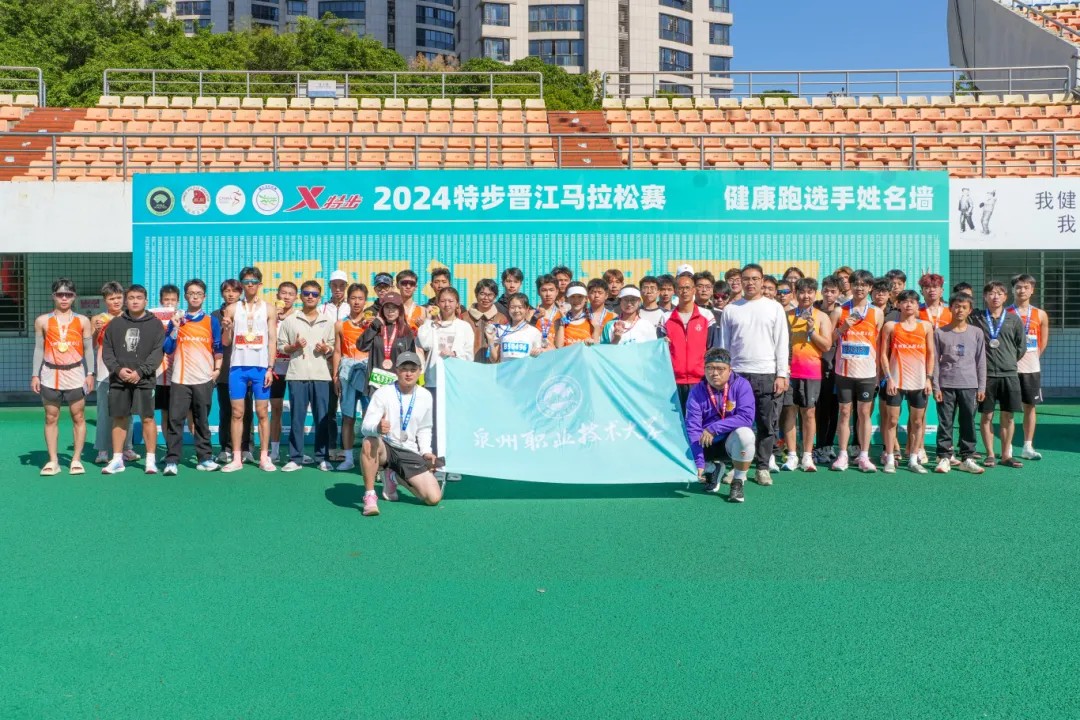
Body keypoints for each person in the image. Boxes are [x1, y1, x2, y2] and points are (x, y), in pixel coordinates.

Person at [716, 263, 790, 486]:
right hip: (737, 375)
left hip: (766, 374)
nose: (750, 283)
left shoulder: (774, 308)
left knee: (766, 424)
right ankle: (737, 466)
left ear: (762, 281)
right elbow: (724, 345)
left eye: (755, 279)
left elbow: (782, 343)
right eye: (746, 279)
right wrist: (724, 373)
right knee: (737, 424)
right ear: (740, 282)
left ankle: (763, 467)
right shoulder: (731, 309)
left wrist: (781, 374)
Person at [359, 352, 441, 516]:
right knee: (369, 442)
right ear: (396, 370)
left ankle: (393, 477)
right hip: (385, 447)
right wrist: (377, 428)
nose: (408, 373)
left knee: (433, 498)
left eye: (413, 369)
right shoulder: (383, 393)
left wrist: (426, 451)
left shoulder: (425, 396)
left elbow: (425, 428)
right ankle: (370, 496)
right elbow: (365, 427)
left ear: (419, 372)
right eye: (404, 369)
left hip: (409, 450)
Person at [100, 284, 166, 475]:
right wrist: (118, 370)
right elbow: (107, 351)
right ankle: (117, 459)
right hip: (119, 380)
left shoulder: (155, 324)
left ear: (146, 301)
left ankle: (150, 460)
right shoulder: (115, 324)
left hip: (143, 380)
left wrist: (141, 372)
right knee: (119, 417)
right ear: (125, 301)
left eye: (139, 298)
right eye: (131, 298)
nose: (135, 301)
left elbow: (157, 352)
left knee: (147, 418)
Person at [32, 278, 95, 476]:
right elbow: (39, 349)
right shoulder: (42, 321)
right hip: (50, 374)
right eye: (60, 294)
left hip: (75, 373)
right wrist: (35, 375)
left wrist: (90, 373)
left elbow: (88, 349)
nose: (64, 298)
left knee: (78, 416)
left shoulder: (83, 321)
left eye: (68, 294)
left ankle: (76, 459)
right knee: (51, 417)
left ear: (74, 297)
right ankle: (53, 461)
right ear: (54, 296)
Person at [161, 279, 223, 475]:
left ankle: (204, 458)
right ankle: (172, 460)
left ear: (204, 297)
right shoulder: (177, 319)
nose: (195, 297)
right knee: (175, 420)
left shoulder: (211, 321)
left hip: (204, 378)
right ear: (185, 297)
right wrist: (175, 328)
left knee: (201, 421)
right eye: (191, 293)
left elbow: (218, 348)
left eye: (198, 293)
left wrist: (217, 370)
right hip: (180, 379)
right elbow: (167, 348)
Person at [219, 266, 277, 473]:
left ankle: (264, 457)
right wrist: (227, 328)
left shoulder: (269, 308)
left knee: (262, 412)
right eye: (246, 282)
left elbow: (272, 340)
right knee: (237, 412)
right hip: (238, 366)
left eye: (253, 282)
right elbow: (226, 342)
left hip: (261, 367)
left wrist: (270, 368)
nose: (250, 285)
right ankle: (236, 458)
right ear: (242, 285)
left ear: (260, 284)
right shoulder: (232, 308)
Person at [278, 280, 336, 472]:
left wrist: (326, 349)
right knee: (297, 418)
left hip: (321, 376)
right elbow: (281, 346)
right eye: (306, 293)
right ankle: (295, 458)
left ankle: (322, 458)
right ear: (301, 297)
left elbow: (333, 346)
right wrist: (294, 347)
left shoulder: (327, 321)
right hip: (297, 375)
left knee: (322, 418)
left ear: (320, 297)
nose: (310, 297)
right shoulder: (290, 320)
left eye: (314, 294)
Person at [685, 348, 756, 503]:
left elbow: (746, 418)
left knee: (746, 435)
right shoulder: (696, 391)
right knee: (680, 450)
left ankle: (738, 481)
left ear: (730, 370)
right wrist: (698, 462)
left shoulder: (741, 385)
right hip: (705, 443)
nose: (714, 373)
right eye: (709, 368)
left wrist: (714, 428)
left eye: (720, 369)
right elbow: (693, 427)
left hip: (731, 444)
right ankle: (712, 469)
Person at [832, 270, 884, 473]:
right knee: (845, 412)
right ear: (850, 286)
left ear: (870, 288)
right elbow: (829, 340)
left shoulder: (877, 313)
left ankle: (864, 455)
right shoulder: (840, 311)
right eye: (856, 284)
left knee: (864, 413)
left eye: (864, 285)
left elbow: (878, 344)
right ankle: (842, 455)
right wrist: (843, 328)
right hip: (844, 371)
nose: (859, 288)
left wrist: (879, 372)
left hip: (867, 372)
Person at [879, 290, 935, 474]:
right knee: (892, 420)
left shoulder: (926, 326)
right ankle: (889, 458)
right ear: (898, 305)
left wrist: (928, 379)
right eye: (904, 301)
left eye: (912, 301)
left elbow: (931, 354)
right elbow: (883, 355)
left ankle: (913, 458)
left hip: (919, 383)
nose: (908, 305)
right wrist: (888, 378)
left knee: (917, 422)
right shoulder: (890, 326)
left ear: (918, 305)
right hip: (896, 382)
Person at [780, 278, 833, 472]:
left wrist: (812, 332)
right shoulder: (786, 316)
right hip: (788, 372)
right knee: (789, 412)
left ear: (815, 294)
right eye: (802, 292)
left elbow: (827, 346)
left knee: (809, 413)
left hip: (811, 372)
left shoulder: (821, 317)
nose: (805, 296)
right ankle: (792, 455)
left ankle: (807, 456)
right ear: (795, 294)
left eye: (810, 292)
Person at [972, 281, 1026, 469]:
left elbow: (1021, 347)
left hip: (1009, 374)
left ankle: (1006, 455)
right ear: (985, 297)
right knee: (986, 416)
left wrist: (1008, 361)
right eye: (991, 293)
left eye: (999, 293)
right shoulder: (976, 318)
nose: (995, 297)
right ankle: (989, 454)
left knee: (1008, 416)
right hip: (985, 376)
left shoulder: (1014, 319)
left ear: (1005, 297)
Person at [417, 286, 475, 457]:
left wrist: (454, 354)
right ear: (437, 303)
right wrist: (429, 321)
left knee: (454, 420)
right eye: (443, 301)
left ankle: (455, 457)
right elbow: (424, 343)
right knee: (433, 421)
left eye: (451, 301)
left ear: (457, 304)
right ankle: (435, 458)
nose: (447, 304)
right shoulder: (432, 325)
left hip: (455, 382)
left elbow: (469, 355)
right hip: (433, 380)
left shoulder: (464, 327)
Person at [932, 293, 986, 474]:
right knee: (945, 422)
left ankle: (967, 457)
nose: (960, 310)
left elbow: (981, 361)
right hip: (946, 385)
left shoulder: (977, 332)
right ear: (950, 308)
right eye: (956, 306)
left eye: (964, 307)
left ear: (969, 310)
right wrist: (936, 386)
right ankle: (944, 457)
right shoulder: (940, 332)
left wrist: (981, 386)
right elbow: (934, 362)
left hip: (969, 384)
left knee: (968, 421)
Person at [92, 281, 136, 465]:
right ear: (105, 300)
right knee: (104, 412)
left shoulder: (131, 317)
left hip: (127, 372)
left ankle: (127, 448)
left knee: (128, 411)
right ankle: (103, 449)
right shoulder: (98, 319)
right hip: (105, 373)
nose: (116, 301)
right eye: (111, 298)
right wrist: (96, 331)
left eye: (119, 297)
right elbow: (92, 345)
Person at [1009, 273, 1049, 461]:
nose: (1022, 290)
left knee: (1030, 407)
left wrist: (1031, 358)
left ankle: (1027, 446)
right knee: (1008, 409)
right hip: (1009, 368)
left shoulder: (1040, 314)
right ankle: (1007, 446)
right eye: (1018, 287)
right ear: (1012, 289)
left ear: (1032, 290)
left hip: (1031, 368)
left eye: (1026, 287)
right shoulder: (1005, 313)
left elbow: (1043, 342)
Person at [212, 279, 253, 465]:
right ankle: (226, 449)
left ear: (240, 293)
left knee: (246, 411)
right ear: (222, 293)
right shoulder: (215, 316)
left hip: (246, 368)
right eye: (227, 291)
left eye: (234, 291)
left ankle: (246, 448)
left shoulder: (248, 313)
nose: (230, 294)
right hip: (223, 371)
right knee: (226, 411)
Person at [333, 283, 372, 472]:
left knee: (369, 418)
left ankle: (370, 459)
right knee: (348, 417)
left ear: (366, 301)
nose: (356, 302)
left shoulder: (372, 324)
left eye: (360, 298)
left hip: (367, 372)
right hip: (347, 372)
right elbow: (337, 352)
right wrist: (335, 376)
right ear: (347, 300)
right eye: (353, 298)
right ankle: (348, 458)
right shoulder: (340, 324)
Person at [664, 272, 713, 411]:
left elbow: (712, 348)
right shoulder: (665, 318)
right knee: (676, 419)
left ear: (694, 290)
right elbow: (661, 351)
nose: (684, 291)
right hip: (673, 381)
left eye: (687, 287)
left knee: (698, 418)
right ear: (675, 291)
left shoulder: (707, 316)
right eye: (681, 288)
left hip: (700, 380)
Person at [358, 292, 421, 391]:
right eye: (387, 307)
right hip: (376, 385)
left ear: (400, 310)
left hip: (398, 384)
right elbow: (361, 346)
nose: (390, 311)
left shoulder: (406, 331)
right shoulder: (376, 327)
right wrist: (374, 326)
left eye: (394, 307)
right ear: (382, 309)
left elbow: (411, 361)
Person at [813, 275, 843, 464]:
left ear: (839, 293)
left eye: (833, 291)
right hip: (815, 364)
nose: (829, 294)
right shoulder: (813, 309)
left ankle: (828, 445)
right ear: (821, 291)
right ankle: (817, 446)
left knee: (833, 408)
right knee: (819, 409)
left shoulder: (842, 311)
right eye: (826, 290)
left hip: (836, 367)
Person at [149, 284, 180, 456]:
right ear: (161, 301)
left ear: (178, 301)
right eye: (166, 300)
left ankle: (184, 450)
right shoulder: (153, 317)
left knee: (183, 414)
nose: (169, 303)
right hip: (158, 374)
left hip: (180, 373)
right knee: (165, 412)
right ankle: (169, 450)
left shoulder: (183, 317)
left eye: (173, 300)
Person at [269, 281, 298, 463]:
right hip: (275, 370)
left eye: (290, 294)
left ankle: (296, 452)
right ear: (277, 295)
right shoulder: (269, 315)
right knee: (276, 409)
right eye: (283, 293)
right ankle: (274, 450)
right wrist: (275, 317)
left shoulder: (299, 317)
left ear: (296, 297)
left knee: (297, 411)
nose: (286, 297)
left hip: (295, 368)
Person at [487, 293, 543, 362]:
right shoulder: (501, 330)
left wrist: (537, 353)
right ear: (508, 309)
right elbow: (493, 360)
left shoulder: (534, 332)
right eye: (512, 307)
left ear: (527, 309)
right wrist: (490, 340)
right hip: (505, 369)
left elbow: (538, 359)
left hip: (525, 369)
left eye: (520, 307)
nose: (516, 310)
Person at [463, 278, 508, 363]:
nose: (486, 298)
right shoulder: (464, 318)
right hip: (468, 366)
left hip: (492, 367)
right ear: (476, 294)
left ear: (495, 297)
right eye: (482, 294)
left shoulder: (501, 319)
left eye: (490, 294)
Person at [531, 273, 563, 351]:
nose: (548, 294)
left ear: (557, 291)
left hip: (556, 355)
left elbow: (561, 345)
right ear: (538, 292)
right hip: (536, 355)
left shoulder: (562, 314)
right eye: (544, 290)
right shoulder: (531, 313)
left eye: (551, 290)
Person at [560, 282, 598, 346]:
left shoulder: (593, 322)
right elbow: (559, 346)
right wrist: (562, 322)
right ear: (567, 299)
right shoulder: (560, 320)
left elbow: (596, 346)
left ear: (586, 299)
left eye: (580, 296)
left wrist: (591, 342)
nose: (576, 300)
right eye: (572, 296)